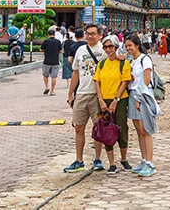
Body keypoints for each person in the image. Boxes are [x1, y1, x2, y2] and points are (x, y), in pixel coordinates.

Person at [65, 24, 105, 173]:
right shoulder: (81, 50)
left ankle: (98, 159)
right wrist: (71, 94)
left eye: (93, 34)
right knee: (79, 127)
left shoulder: (104, 50)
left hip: (97, 95)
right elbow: (75, 72)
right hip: (82, 93)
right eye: (88, 34)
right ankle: (79, 160)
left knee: (98, 128)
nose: (90, 36)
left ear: (100, 35)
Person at [93, 35, 132, 175]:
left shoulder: (123, 63)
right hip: (104, 99)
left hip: (119, 99)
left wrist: (116, 99)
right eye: (105, 47)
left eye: (111, 46)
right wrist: (101, 100)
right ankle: (111, 163)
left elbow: (125, 82)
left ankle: (124, 158)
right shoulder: (101, 64)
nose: (108, 49)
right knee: (105, 129)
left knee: (121, 127)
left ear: (116, 47)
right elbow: (97, 82)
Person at [124, 34, 160, 177]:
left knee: (146, 129)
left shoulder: (145, 60)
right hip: (132, 94)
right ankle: (144, 159)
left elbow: (146, 80)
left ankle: (150, 163)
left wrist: (139, 98)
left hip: (143, 95)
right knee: (139, 130)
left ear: (137, 45)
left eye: (130, 46)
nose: (128, 49)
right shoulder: (131, 61)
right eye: (126, 46)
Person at [41, 27, 62, 95]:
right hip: (55, 61)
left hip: (47, 61)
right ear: (54, 34)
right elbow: (61, 51)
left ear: (48, 35)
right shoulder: (58, 42)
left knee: (45, 75)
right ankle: (52, 91)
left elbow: (41, 49)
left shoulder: (46, 41)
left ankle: (47, 87)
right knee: (54, 77)